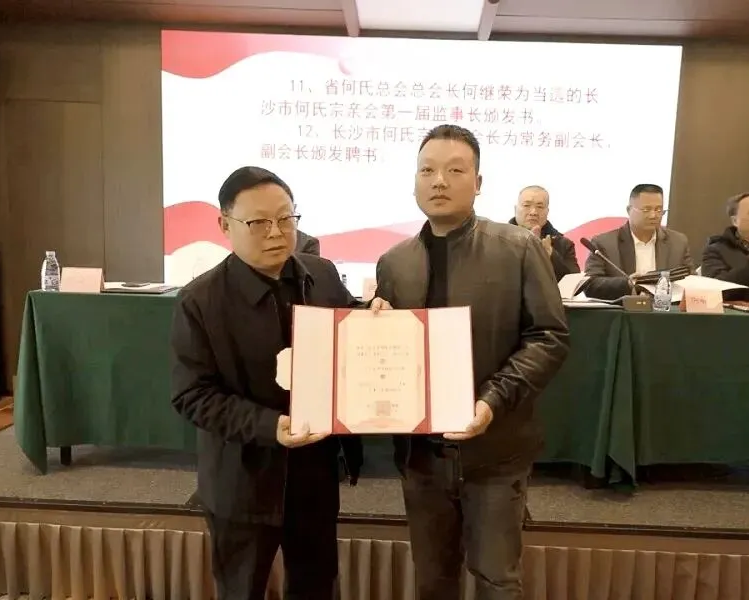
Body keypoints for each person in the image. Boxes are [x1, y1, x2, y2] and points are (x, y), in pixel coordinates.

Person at [373, 124, 570, 600]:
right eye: (427, 170)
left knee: (497, 580)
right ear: (414, 181)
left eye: (455, 170)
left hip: (496, 450)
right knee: (432, 580)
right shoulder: (394, 262)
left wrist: (492, 401)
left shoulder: (518, 247)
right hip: (421, 457)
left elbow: (549, 337)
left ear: (478, 183)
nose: (439, 181)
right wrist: (373, 324)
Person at [170, 166, 379, 600]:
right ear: (224, 225)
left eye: (286, 218)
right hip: (241, 480)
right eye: (258, 222)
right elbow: (193, 395)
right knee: (242, 589)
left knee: (316, 587)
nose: (276, 233)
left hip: (314, 475)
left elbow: (346, 342)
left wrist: (375, 320)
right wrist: (271, 426)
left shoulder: (321, 275)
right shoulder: (200, 301)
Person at [581, 183, 693, 300]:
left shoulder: (678, 242)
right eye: (646, 210)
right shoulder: (604, 243)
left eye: (659, 210)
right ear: (629, 210)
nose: (653, 215)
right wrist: (626, 283)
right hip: (623, 310)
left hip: (665, 308)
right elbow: (590, 285)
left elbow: (690, 280)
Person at [509, 185, 579, 279]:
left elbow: (573, 280)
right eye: (526, 205)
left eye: (540, 207)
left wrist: (551, 256)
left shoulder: (563, 244)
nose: (533, 212)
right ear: (515, 209)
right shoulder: (498, 239)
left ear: (547, 211)